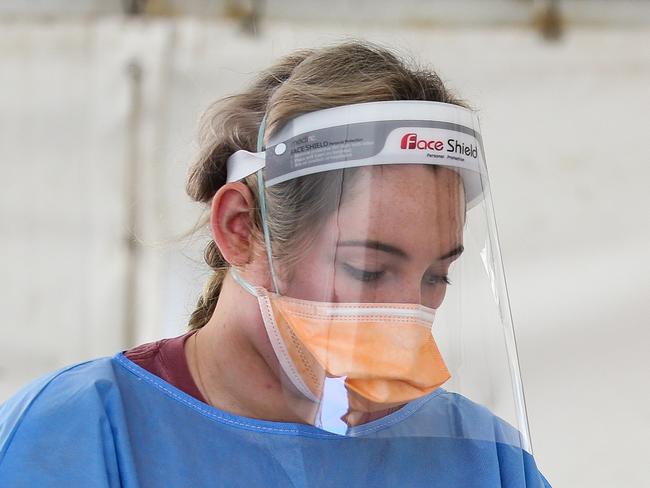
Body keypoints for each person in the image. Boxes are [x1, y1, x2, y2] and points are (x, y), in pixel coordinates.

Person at [0, 41, 552, 487]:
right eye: (366, 269)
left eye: (437, 276)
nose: (409, 316)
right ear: (241, 229)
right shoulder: (82, 434)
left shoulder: (481, 458)